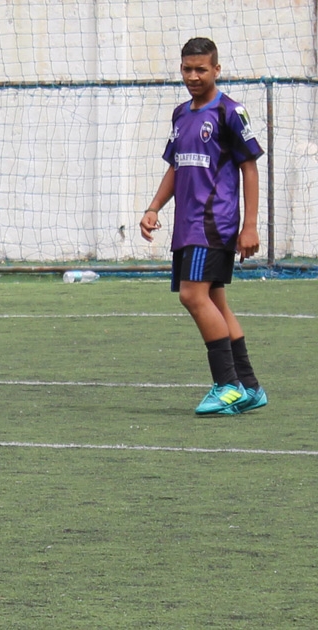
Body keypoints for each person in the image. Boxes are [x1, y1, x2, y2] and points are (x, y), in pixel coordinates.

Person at [139, 37, 267, 416]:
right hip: (186, 225)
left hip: (212, 224)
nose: (193, 76)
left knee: (192, 297)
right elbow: (176, 167)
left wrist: (251, 225)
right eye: (187, 69)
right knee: (213, 301)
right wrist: (154, 206)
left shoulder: (230, 112)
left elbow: (249, 167)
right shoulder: (181, 113)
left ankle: (226, 386)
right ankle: (249, 386)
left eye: (201, 69)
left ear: (217, 70)